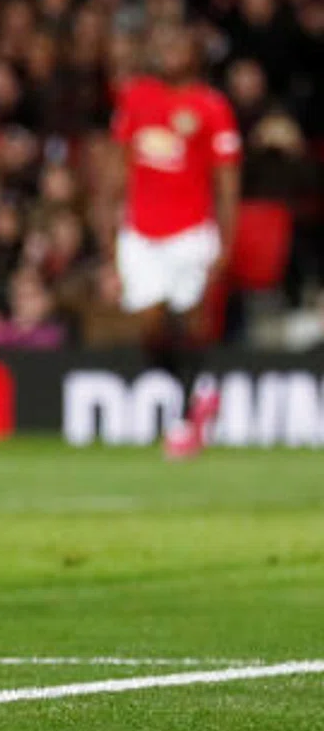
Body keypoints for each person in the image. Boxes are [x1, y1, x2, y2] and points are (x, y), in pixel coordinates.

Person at [111, 23, 240, 459]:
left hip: (190, 230)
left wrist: (226, 241)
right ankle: (199, 393)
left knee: (191, 321)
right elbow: (119, 162)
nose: (168, 51)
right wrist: (109, 222)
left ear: (195, 53)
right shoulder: (136, 97)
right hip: (140, 231)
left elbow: (227, 180)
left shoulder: (211, 106)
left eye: (178, 44)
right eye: (163, 44)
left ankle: (187, 419)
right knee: (149, 325)